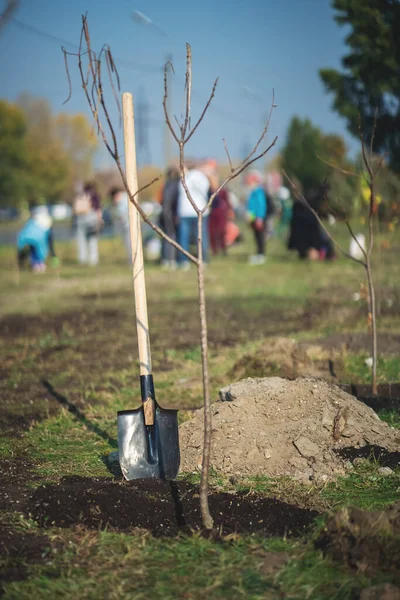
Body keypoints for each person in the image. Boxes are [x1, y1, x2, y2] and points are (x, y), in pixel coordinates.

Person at [176, 159, 215, 269]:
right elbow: (208, 190)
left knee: (184, 237)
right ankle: (203, 259)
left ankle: (184, 261)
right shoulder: (202, 177)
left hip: (185, 211)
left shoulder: (185, 178)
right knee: (201, 236)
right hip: (201, 210)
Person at [17, 206, 56, 272]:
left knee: (32, 251)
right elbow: (48, 241)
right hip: (38, 240)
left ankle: (34, 264)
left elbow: (23, 233)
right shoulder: (46, 223)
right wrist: (52, 253)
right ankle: (39, 264)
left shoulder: (32, 221)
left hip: (26, 239)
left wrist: (21, 245)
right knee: (38, 251)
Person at [73, 182, 102, 266]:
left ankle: (82, 259)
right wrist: (99, 219)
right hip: (92, 219)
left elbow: (75, 208)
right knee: (92, 240)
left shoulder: (80, 195)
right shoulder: (95, 195)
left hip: (80, 219)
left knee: (81, 241)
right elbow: (98, 208)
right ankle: (93, 260)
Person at [159, 166, 180, 269]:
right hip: (170, 214)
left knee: (166, 237)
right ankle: (170, 259)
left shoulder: (166, 184)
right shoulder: (174, 184)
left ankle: (166, 258)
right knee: (171, 237)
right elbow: (169, 201)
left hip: (166, 213)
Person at [245, 170, 268, 265]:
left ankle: (261, 255)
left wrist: (259, 218)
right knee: (256, 236)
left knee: (260, 237)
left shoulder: (258, 191)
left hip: (258, 218)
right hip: (253, 217)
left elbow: (261, 205)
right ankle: (258, 254)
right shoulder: (253, 191)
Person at [208, 187, 231, 256]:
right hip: (212, 213)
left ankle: (223, 248)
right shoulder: (209, 191)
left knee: (221, 231)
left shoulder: (223, 191)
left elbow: (227, 202)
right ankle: (214, 250)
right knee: (212, 232)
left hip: (221, 213)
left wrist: (229, 211)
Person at [110, 187, 131, 260]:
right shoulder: (119, 202)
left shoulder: (125, 200)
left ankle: (133, 260)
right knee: (128, 244)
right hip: (125, 226)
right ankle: (131, 260)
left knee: (130, 244)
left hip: (129, 226)